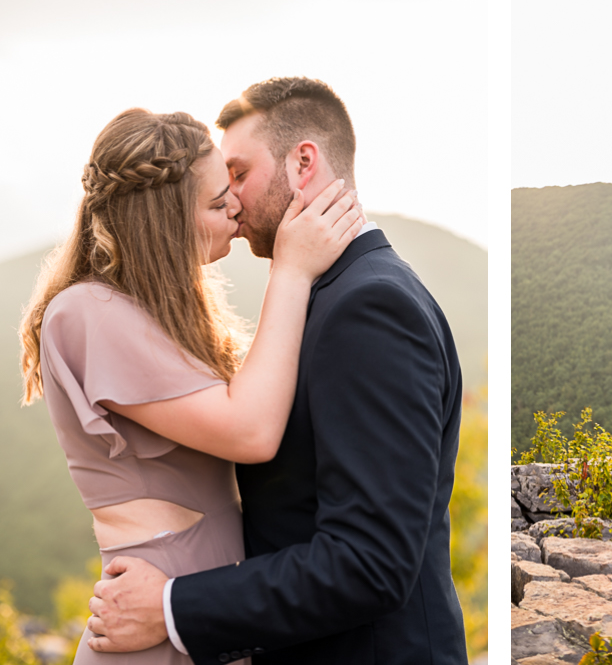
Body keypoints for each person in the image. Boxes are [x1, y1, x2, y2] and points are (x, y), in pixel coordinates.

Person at [86, 77, 469, 665]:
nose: (230, 198)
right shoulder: (335, 294)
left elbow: (369, 563)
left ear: (303, 162)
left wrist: (170, 605)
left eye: (238, 172)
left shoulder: (369, 308)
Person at [19, 108, 362, 664]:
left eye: (231, 189)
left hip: (200, 620)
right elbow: (250, 432)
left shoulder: (154, 315)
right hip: (151, 636)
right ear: (164, 220)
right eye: (214, 201)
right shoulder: (87, 312)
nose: (234, 208)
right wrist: (292, 271)